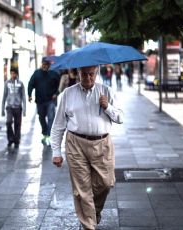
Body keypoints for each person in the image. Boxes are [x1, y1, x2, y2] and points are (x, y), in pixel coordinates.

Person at [50, 65, 123, 230]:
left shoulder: (107, 91)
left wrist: (107, 107)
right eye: (84, 74)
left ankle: (92, 212)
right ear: (78, 74)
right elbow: (58, 126)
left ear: (96, 73)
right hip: (76, 144)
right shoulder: (68, 94)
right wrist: (56, 151)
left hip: (102, 144)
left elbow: (120, 118)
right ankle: (89, 225)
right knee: (82, 188)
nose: (88, 78)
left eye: (91, 74)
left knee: (106, 183)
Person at [28, 58, 61, 146]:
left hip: (50, 100)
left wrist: (56, 93)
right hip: (40, 101)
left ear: (49, 65)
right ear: (41, 64)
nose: (45, 66)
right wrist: (29, 95)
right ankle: (45, 132)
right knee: (41, 118)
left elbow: (60, 84)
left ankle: (49, 135)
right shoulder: (37, 73)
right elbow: (30, 84)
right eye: (44, 64)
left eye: (47, 64)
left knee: (51, 118)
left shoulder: (54, 74)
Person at [2, 69, 26, 148]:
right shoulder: (7, 83)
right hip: (9, 107)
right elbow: (4, 95)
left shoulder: (20, 83)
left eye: (14, 73)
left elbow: (23, 96)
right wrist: (2, 108)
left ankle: (17, 140)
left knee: (17, 124)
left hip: (18, 107)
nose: (13, 75)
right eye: (11, 73)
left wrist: (24, 109)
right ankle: (10, 139)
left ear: (17, 74)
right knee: (8, 122)